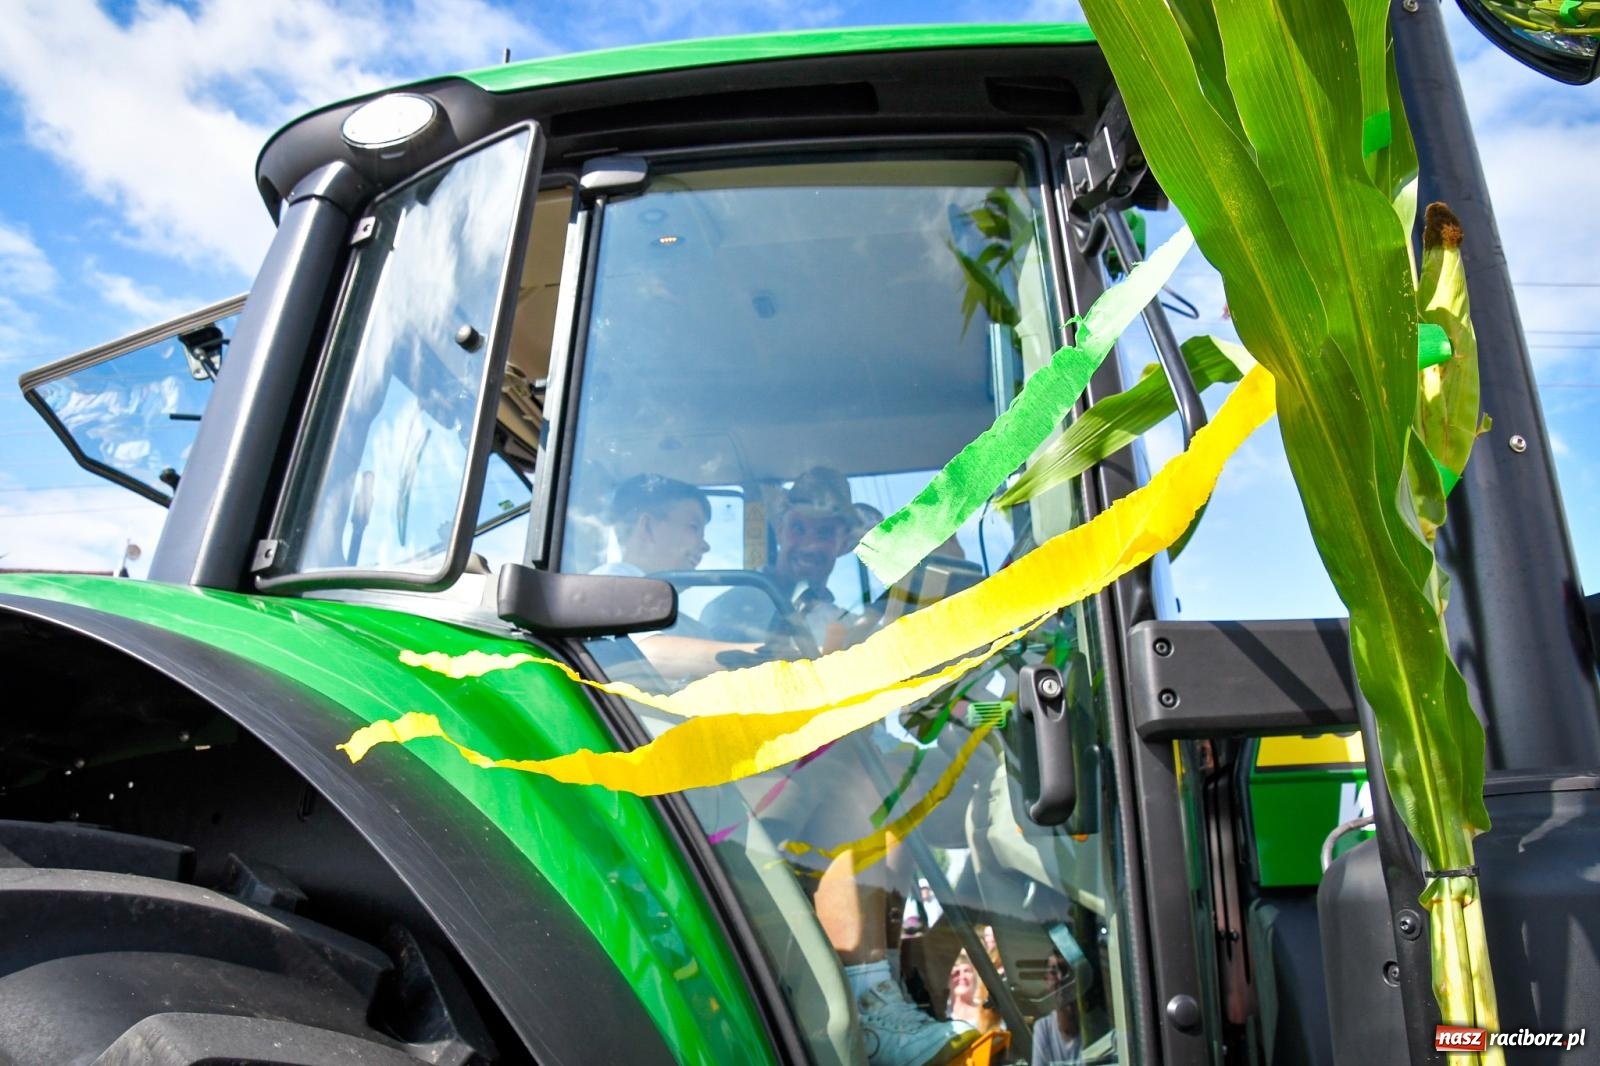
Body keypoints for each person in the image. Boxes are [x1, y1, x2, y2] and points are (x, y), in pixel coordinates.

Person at [591, 474, 760, 680]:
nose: (705, 546)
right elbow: (648, 656)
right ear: (648, 527)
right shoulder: (608, 585)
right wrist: (769, 657)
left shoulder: (693, 627)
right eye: (694, 527)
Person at [700, 466, 869, 650]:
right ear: (780, 531)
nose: (809, 545)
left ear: (843, 544)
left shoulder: (850, 630)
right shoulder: (732, 605)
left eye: (825, 533)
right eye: (798, 528)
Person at [1031, 952, 1082, 1066]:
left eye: (1065, 971)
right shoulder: (1043, 1028)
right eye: (1054, 972)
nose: (1061, 978)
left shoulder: (1092, 1025)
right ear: (1046, 981)